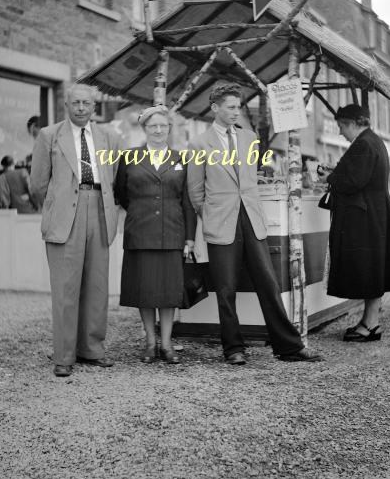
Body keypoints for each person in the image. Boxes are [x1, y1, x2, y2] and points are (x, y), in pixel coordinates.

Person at [187, 82, 322, 365]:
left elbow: (250, 178)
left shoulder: (249, 138)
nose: (237, 111)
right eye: (231, 107)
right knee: (225, 289)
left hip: (252, 219)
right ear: (215, 108)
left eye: (238, 106)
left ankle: (289, 347)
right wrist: (212, 213)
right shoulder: (199, 143)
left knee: (268, 283)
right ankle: (233, 348)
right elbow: (195, 191)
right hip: (221, 222)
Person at [31, 84, 119, 377]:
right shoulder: (49, 135)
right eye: (76, 102)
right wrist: (57, 205)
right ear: (66, 105)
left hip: (99, 209)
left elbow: (112, 176)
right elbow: (38, 184)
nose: (82, 107)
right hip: (65, 213)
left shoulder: (109, 137)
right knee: (66, 289)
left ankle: (91, 349)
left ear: (94, 107)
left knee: (97, 286)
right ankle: (64, 356)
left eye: (87, 103)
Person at [115, 105, 196, 364]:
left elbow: (187, 200)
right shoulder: (129, 158)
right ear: (145, 129)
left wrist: (189, 238)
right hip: (141, 232)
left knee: (169, 292)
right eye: (153, 126)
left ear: (169, 129)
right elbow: (121, 194)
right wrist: (142, 212)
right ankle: (150, 343)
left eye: (163, 125)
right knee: (145, 290)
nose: (158, 130)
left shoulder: (181, 159)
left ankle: (167, 344)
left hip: (172, 232)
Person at [318, 104, 390, 342]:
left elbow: (352, 181)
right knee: (374, 269)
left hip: (364, 219)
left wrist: (329, 177)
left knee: (368, 270)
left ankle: (370, 325)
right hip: (373, 215)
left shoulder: (363, 144)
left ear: (352, 123)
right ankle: (370, 322)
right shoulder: (374, 141)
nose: (340, 131)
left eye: (342, 126)